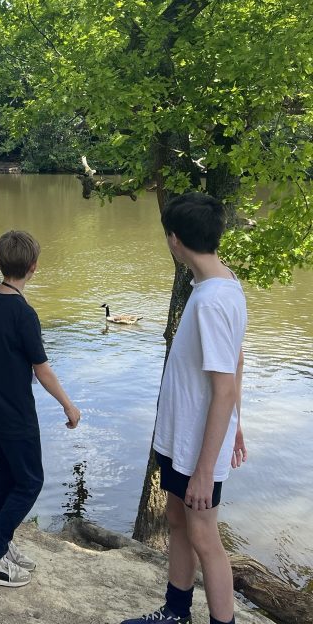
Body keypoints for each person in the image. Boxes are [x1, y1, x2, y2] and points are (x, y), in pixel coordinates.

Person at [120, 192, 247, 624]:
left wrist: (206, 469)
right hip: (186, 438)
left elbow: (224, 387)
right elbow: (238, 358)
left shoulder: (211, 301)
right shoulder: (221, 281)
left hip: (198, 447)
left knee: (204, 536)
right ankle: (176, 612)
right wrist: (237, 424)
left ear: (175, 241)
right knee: (176, 517)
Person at [0, 230, 81, 588]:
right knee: (30, 481)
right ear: (34, 267)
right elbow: (42, 369)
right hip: (14, 412)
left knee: (4, 475)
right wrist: (68, 405)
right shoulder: (24, 314)